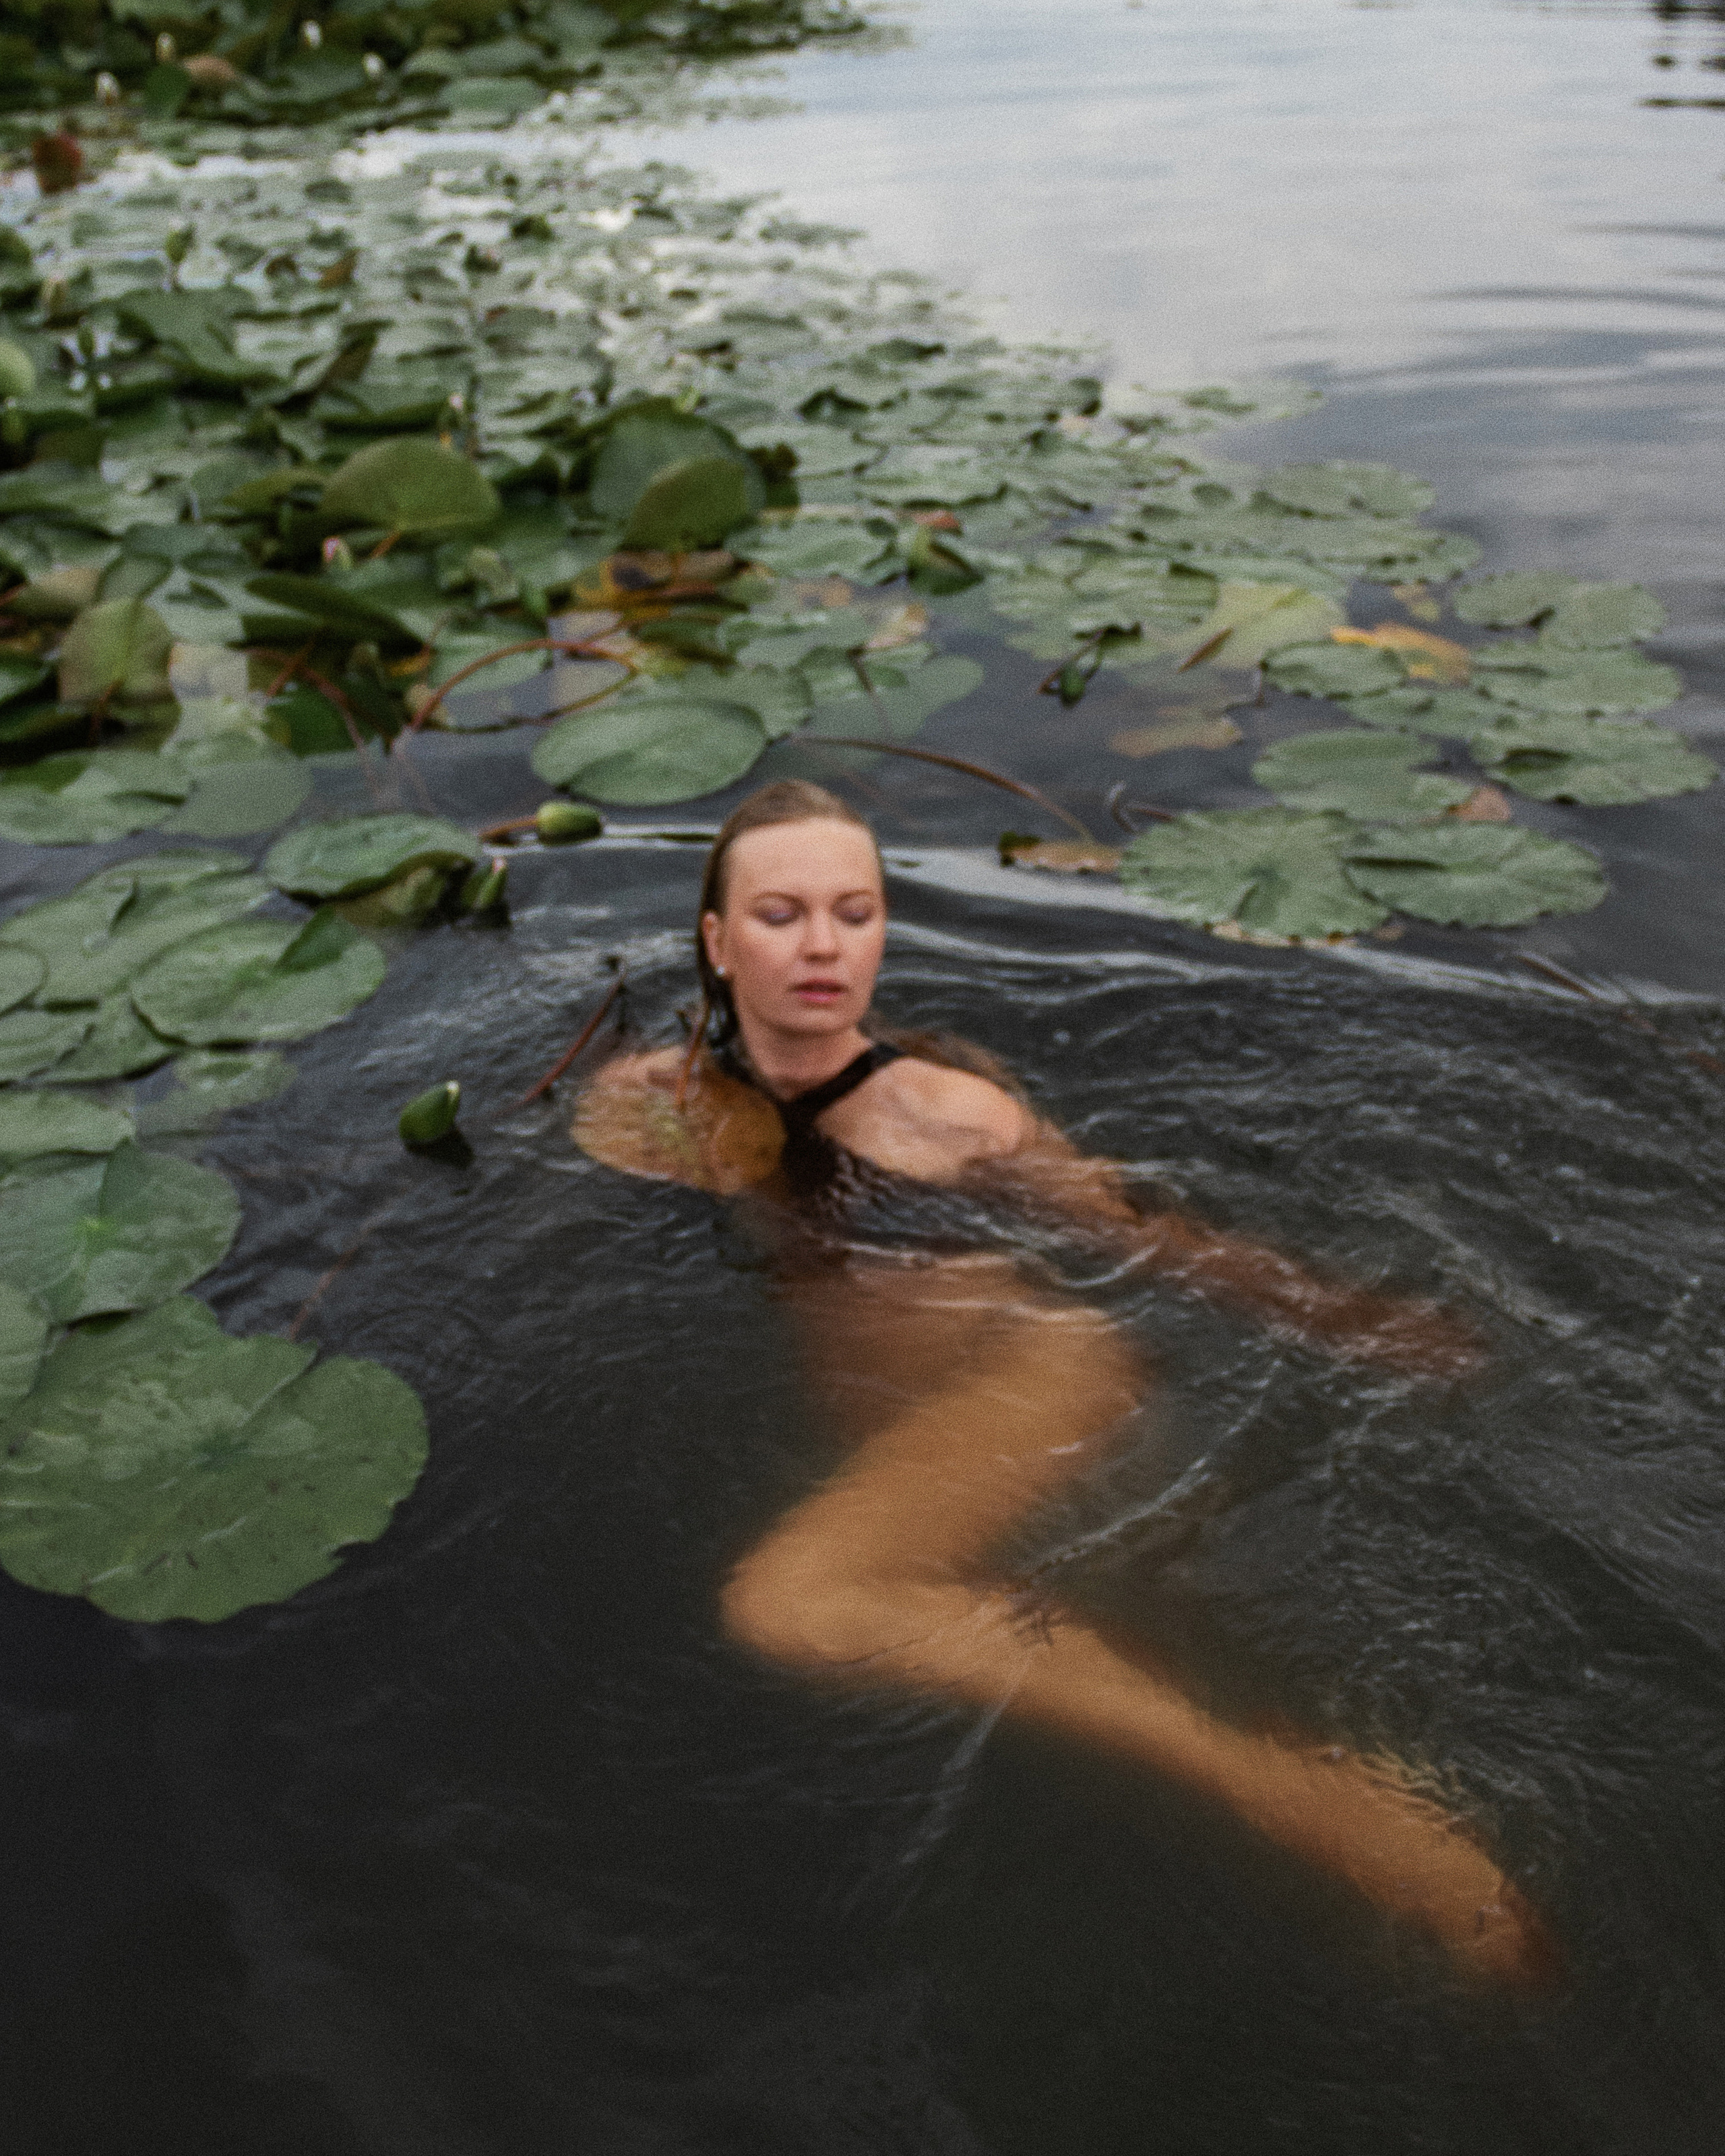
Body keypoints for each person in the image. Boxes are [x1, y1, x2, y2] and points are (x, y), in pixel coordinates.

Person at [575, 780, 1554, 1987]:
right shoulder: (646, 1099)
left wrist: (1342, 1319)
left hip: (1034, 1372)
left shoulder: (947, 1113)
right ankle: (1275, 1761)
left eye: (856, 911)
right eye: (781, 915)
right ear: (719, 943)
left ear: (886, 927)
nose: (825, 945)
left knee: (793, 1604)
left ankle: (1295, 1790)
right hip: (901, 1430)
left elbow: (1145, 1234)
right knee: (1071, 1635)